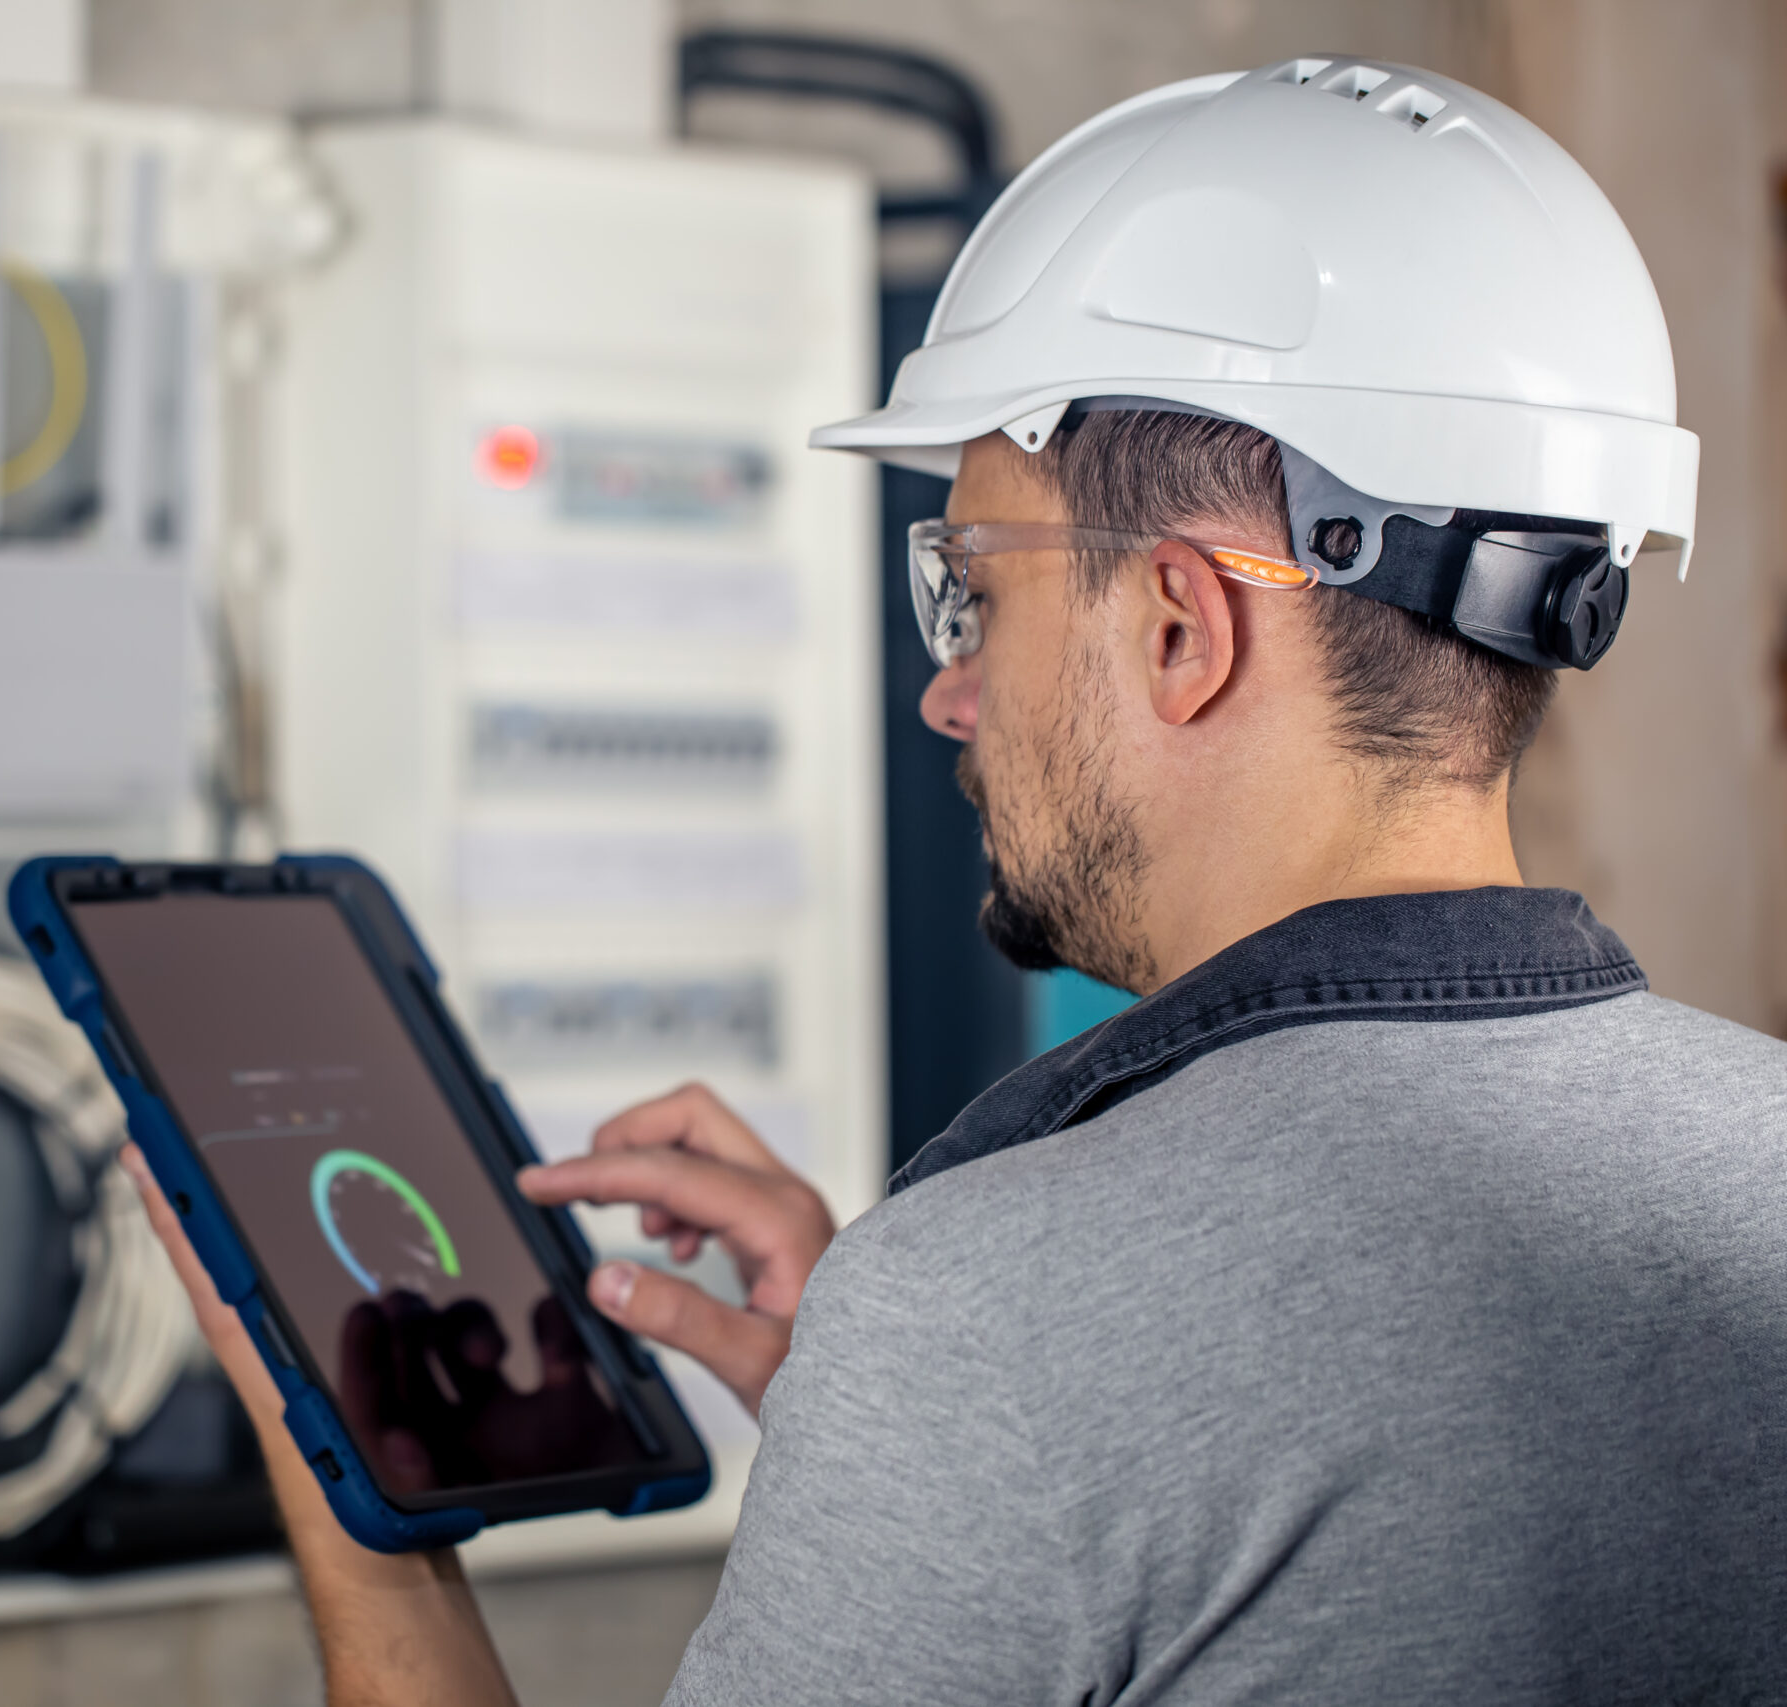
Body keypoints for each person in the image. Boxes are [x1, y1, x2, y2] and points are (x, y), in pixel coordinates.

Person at [120, 55, 1787, 1703]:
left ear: (1181, 629)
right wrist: (919, 1482)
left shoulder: (990, 1324)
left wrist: (344, 1471)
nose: (946, 689)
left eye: (976, 594)